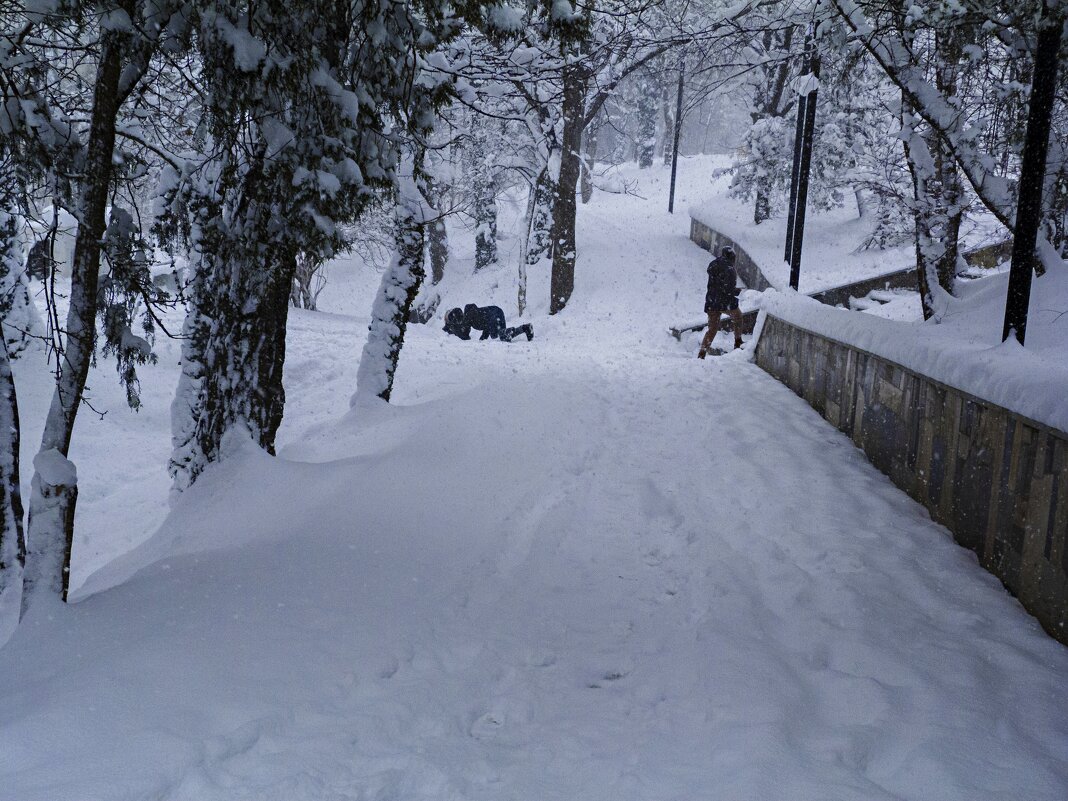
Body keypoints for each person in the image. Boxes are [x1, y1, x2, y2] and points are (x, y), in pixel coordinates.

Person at [698, 245, 744, 358]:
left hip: (711, 302)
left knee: (712, 329)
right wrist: (735, 291)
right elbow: (727, 288)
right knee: (738, 317)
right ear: (732, 257)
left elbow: (717, 284)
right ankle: (738, 343)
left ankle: (702, 353)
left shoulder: (714, 264)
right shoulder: (730, 268)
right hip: (724, 302)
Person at [443, 304, 534, 342]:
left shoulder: (468, 316)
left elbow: (465, 336)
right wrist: (482, 341)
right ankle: (524, 329)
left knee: (500, 336)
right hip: (497, 312)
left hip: (494, 315)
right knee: (502, 334)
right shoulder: (472, 314)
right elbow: (486, 325)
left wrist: (451, 329)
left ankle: (525, 328)